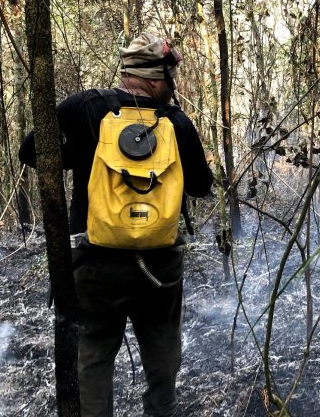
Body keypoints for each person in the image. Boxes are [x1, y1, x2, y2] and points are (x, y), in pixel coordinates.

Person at [19, 33, 213, 417]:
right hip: (158, 269)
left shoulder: (85, 107)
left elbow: (30, 151)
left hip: (94, 263)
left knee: (93, 356)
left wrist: (82, 155)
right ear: (155, 79)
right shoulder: (176, 122)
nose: (173, 84)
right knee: (162, 358)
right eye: (171, 76)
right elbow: (201, 186)